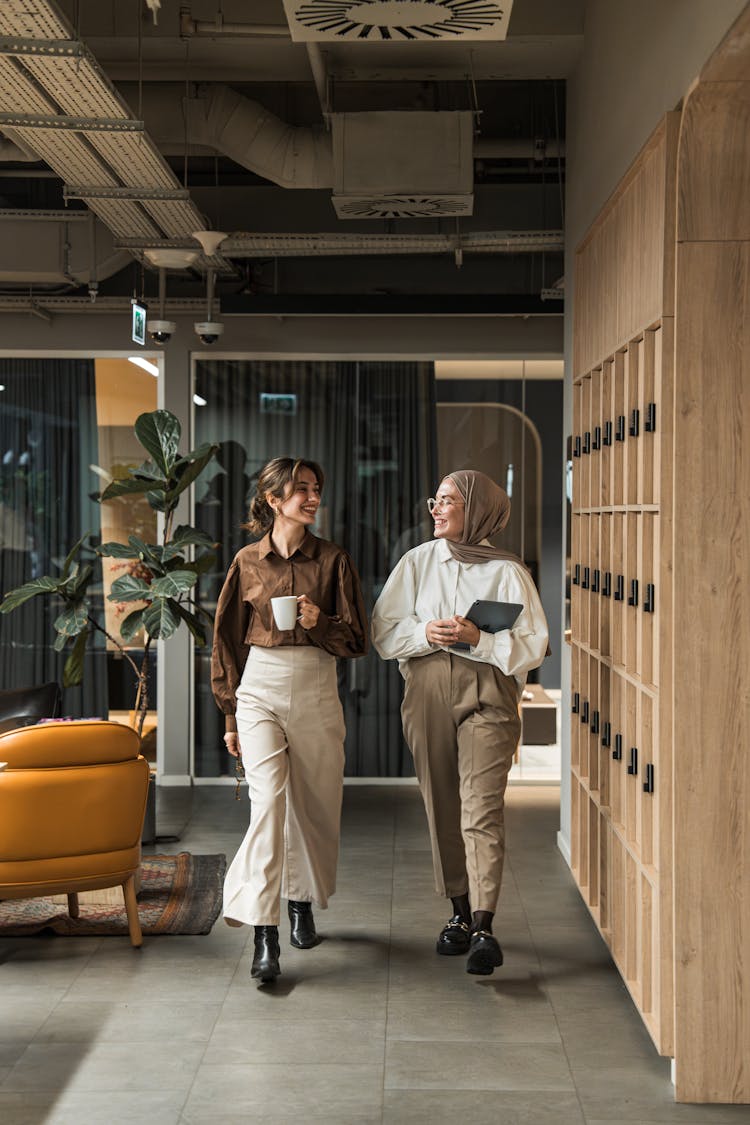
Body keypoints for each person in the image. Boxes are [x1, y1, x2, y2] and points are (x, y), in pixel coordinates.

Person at [371, 470, 548, 975]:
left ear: (476, 509)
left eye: (448, 500)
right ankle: (459, 913)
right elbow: (384, 634)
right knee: (442, 802)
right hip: (425, 687)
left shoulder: (508, 571)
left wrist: (478, 639)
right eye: (436, 499)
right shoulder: (417, 562)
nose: (436, 508)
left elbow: (534, 646)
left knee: (482, 806)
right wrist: (427, 631)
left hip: (488, 692)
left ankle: (486, 926)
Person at [211, 457, 368, 983]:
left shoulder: (334, 560)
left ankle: (300, 901)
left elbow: (357, 641)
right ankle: (265, 931)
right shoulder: (247, 562)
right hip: (260, 688)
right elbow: (227, 642)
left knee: (316, 808)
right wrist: (231, 714)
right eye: (301, 489)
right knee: (269, 806)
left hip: (318, 686)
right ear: (274, 499)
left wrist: (319, 621)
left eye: (316, 488)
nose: (312, 497)